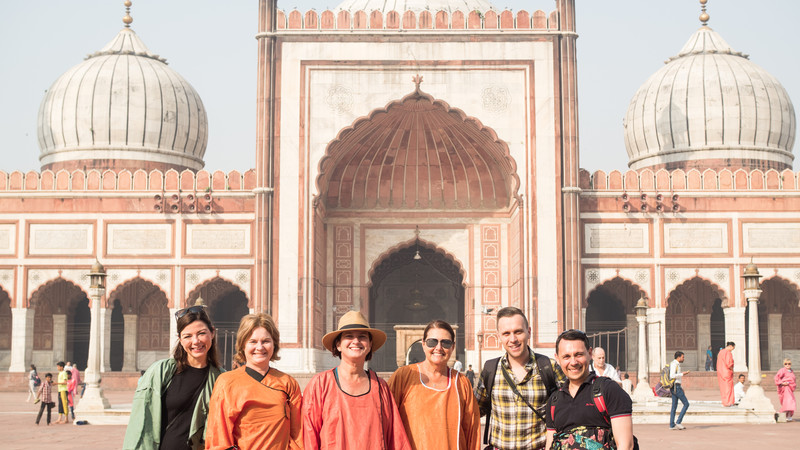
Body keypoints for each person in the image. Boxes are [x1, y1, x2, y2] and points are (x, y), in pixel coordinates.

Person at [302, 310, 410, 449]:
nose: (356, 341)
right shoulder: (320, 384)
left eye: (362, 336)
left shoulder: (380, 387)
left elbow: (396, 437)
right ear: (338, 345)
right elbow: (309, 436)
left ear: (370, 344)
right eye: (349, 336)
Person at [123, 303, 223, 450]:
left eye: (201, 333)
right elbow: (140, 424)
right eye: (187, 336)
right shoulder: (162, 371)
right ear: (180, 340)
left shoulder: (221, 378)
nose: (196, 341)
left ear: (212, 333)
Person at [205, 313, 303, 449]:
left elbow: (298, 434)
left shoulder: (287, 383)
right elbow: (218, 437)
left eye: (266, 341)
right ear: (243, 345)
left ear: (274, 345)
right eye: (253, 341)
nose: (260, 347)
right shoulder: (227, 382)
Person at [475, 306, 565, 450]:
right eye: (506, 333)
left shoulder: (549, 367)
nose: (513, 339)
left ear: (528, 332)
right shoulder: (490, 369)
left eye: (518, 332)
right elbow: (475, 410)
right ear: (499, 337)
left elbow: (570, 408)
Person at [388, 320, 480, 450]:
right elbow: (386, 422)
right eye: (432, 342)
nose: (438, 348)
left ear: (453, 347)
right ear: (423, 344)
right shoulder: (404, 376)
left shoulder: (461, 382)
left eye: (445, 343)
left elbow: (472, 431)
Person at [544, 330, 634, 450]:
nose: (573, 362)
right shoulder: (554, 401)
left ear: (589, 353)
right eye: (566, 356)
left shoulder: (608, 390)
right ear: (557, 359)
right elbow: (550, 445)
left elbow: (626, 446)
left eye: (578, 355)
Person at [669, 351, 690, 430]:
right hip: (675, 387)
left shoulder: (675, 364)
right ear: (678, 357)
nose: (683, 358)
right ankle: (678, 422)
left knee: (674, 406)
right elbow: (672, 375)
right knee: (686, 404)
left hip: (675, 386)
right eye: (682, 357)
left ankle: (671, 424)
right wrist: (682, 374)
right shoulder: (674, 364)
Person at [716, 341, 735, 406]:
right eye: (733, 348)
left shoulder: (720, 352)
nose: (732, 350)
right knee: (728, 388)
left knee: (723, 387)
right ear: (730, 346)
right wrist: (732, 369)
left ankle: (724, 401)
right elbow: (729, 364)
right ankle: (728, 402)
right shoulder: (728, 353)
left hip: (720, 372)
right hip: (727, 372)